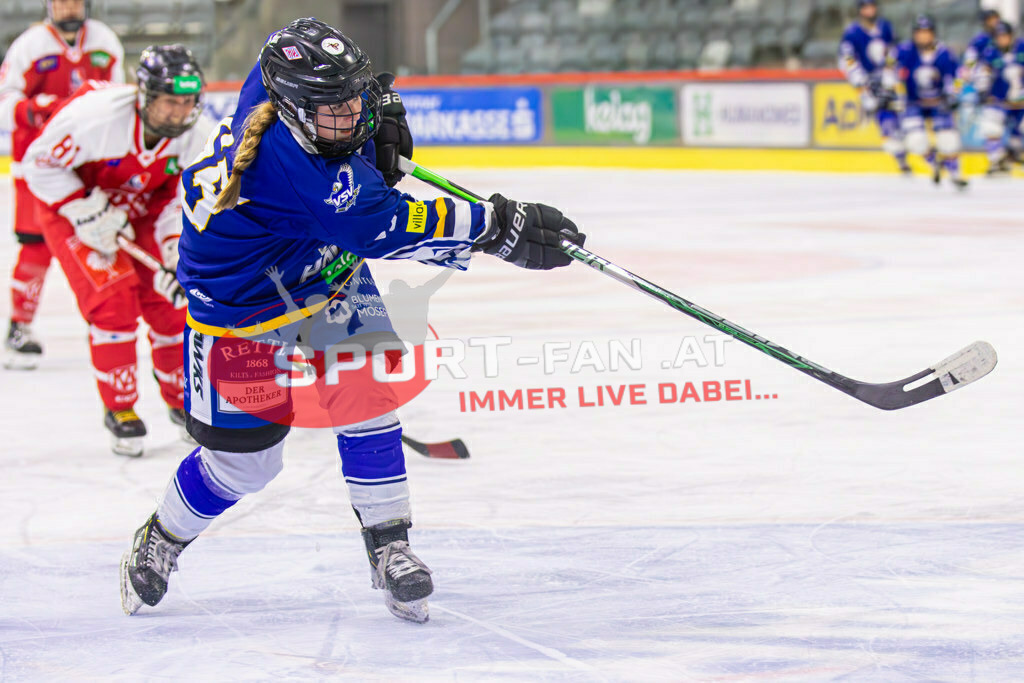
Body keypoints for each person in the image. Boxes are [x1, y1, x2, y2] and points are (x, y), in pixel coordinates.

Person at [117, 18, 585, 624]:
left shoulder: (279, 85)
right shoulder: (293, 172)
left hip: (326, 274)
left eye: (353, 100)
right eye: (333, 109)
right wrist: (498, 226)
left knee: (367, 402)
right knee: (245, 464)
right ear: (291, 109)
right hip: (240, 314)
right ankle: (162, 536)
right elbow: (390, 226)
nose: (351, 116)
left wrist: (383, 103)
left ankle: (390, 546)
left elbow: (309, 44)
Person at [22, 44, 214, 456]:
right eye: (169, 103)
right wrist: (86, 211)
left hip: (144, 208)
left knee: (169, 303)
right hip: (71, 205)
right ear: (145, 96)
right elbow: (38, 164)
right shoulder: (93, 120)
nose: (179, 114)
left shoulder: (198, 139)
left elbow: (181, 202)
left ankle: (182, 401)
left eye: (187, 102)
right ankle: (121, 408)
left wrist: (171, 257)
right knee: (113, 301)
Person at [0, 0, 124, 369]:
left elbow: (118, 97)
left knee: (101, 241)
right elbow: (5, 98)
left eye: (75, 1)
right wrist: (34, 109)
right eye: (61, 2)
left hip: (89, 166)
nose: (68, 8)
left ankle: (105, 323)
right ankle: (19, 326)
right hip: (39, 167)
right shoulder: (30, 44)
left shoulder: (105, 40)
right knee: (36, 248)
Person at [890, 15, 966, 189]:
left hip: (938, 102)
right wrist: (889, 89)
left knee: (948, 140)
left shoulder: (944, 53)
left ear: (933, 34)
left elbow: (958, 77)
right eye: (920, 33)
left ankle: (955, 173)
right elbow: (889, 69)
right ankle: (934, 162)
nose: (923, 37)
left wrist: (952, 94)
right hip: (913, 102)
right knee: (915, 141)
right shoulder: (904, 50)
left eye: (926, 33)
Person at [838, 0, 909, 173]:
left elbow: (894, 50)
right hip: (869, 82)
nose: (870, 11)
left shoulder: (886, 27)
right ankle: (900, 157)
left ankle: (905, 150)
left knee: (901, 116)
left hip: (888, 79)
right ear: (860, 11)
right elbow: (847, 60)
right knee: (884, 116)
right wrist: (861, 87)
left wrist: (891, 71)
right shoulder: (852, 33)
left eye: (872, 7)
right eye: (866, 8)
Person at [976, 21, 1024, 176]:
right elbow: (983, 72)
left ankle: (1014, 153)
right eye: (999, 36)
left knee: (1019, 133)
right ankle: (996, 160)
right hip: (1000, 101)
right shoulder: (990, 53)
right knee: (989, 124)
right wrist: (983, 90)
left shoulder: (1022, 47)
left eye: (1005, 36)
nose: (1002, 39)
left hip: (1021, 102)